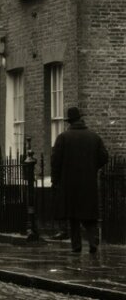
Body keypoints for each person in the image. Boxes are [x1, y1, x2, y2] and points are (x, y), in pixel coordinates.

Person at [51, 107, 109, 254]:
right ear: (81, 119)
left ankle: (76, 246)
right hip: (88, 182)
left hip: (69, 183)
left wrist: (55, 180)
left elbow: (55, 162)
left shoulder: (63, 138)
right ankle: (92, 242)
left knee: (73, 216)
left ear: (69, 121)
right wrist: (92, 167)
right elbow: (104, 157)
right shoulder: (94, 137)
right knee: (89, 216)